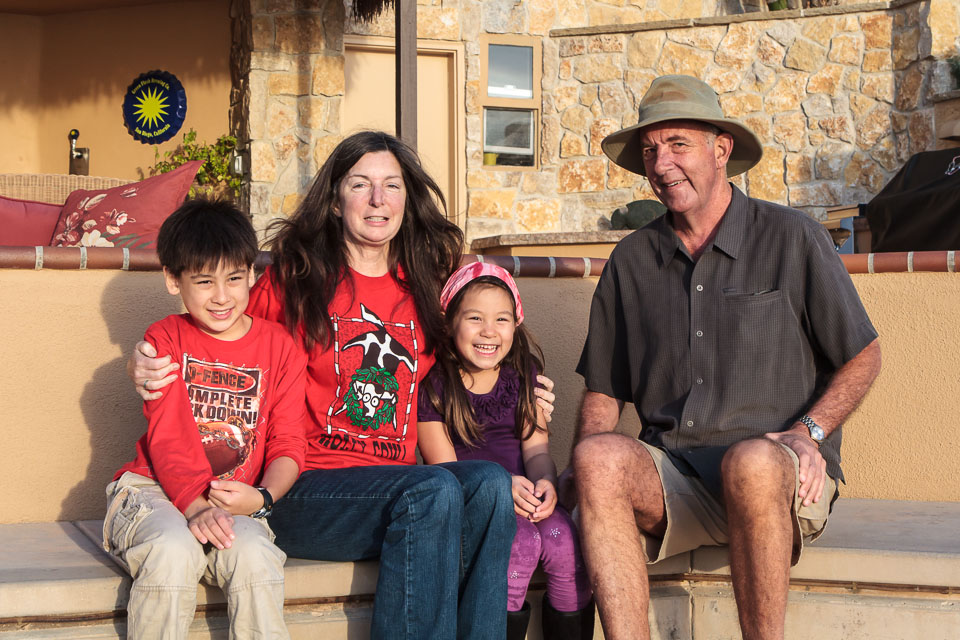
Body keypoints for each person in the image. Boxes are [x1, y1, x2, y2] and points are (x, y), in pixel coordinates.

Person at [129, 131, 556, 639]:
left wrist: (526, 390)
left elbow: (471, 357)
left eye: (391, 185)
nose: (377, 199)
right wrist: (147, 361)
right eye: (360, 184)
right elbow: (225, 341)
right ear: (335, 200)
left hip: (400, 492)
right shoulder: (295, 280)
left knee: (486, 483)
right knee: (435, 487)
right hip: (305, 489)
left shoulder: (425, 284)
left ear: (406, 199)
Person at [566, 75, 882, 640]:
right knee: (597, 458)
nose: (661, 164)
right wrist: (579, 476)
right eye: (650, 150)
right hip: (676, 478)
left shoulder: (793, 238)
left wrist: (809, 433)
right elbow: (604, 392)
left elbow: (864, 356)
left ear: (721, 149)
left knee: (751, 462)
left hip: (775, 475)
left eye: (678, 144)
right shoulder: (631, 261)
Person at [104, 199, 307, 640]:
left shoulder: (281, 347)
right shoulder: (165, 338)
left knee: (255, 556)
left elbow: (289, 442)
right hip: (153, 491)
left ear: (252, 274)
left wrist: (263, 498)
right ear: (173, 280)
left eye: (234, 278)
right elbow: (169, 436)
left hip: (229, 502)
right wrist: (195, 507)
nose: (221, 296)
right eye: (203, 281)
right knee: (173, 548)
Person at [417, 262, 594, 640]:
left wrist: (546, 482)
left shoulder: (523, 375)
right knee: (522, 544)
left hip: (528, 500)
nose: (489, 331)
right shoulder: (434, 386)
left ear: (516, 324)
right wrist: (500, 489)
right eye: (475, 318)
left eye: (502, 319)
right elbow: (445, 469)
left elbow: (537, 451)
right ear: (449, 324)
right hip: (476, 506)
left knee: (564, 539)